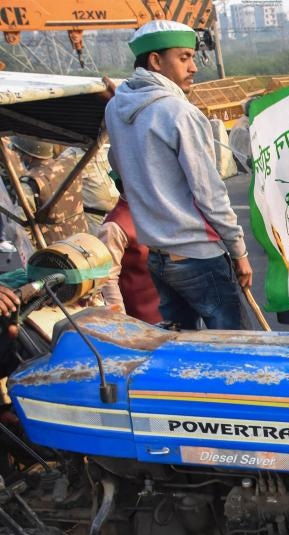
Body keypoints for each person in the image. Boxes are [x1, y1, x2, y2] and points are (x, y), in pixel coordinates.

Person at [106, 20, 251, 330]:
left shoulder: (115, 107)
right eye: (184, 57)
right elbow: (209, 193)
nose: (194, 67)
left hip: (156, 258)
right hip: (197, 254)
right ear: (156, 61)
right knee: (237, 351)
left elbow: (118, 168)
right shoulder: (179, 112)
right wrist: (239, 251)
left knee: (181, 349)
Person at [97, 172, 162, 324]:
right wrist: (121, 320)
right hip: (145, 317)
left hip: (172, 306)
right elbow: (107, 278)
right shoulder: (114, 226)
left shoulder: (154, 208)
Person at [11, 135, 89, 242]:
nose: (19, 157)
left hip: (53, 249)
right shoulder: (70, 164)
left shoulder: (30, 184)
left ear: (29, 157)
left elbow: (21, 230)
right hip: (82, 240)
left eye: (20, 153)